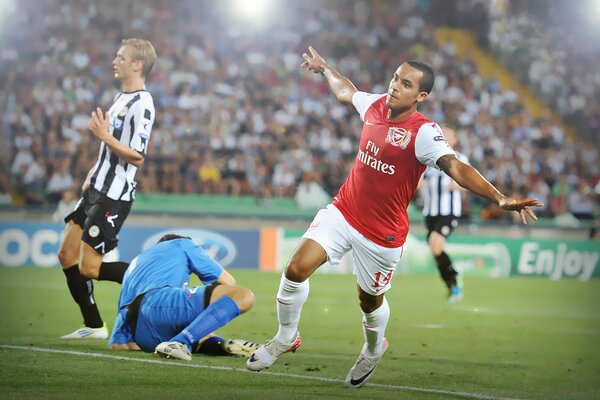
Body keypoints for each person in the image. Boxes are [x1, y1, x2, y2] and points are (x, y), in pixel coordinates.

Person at [246, 47, 542, 388]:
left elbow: (455, 166)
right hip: (343, 212)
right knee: (295, 269)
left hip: (382, 235)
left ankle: (373, 348)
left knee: (369, 301)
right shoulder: (374, 106)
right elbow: (346, 91)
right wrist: (326, 68)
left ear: (421, 95)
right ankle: (286, 337)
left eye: (405, 84)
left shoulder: (424, 133)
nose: (394, 86)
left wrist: (499, 197)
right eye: (395, 79)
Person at [58, 38, 157, 339]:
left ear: (138, 64)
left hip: (114, 196)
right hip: (96, 188)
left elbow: (137, 156)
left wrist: (103, 135)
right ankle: (93, 326)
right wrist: (92, 172)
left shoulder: (143, 103)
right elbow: (110, 151)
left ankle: (152, 280)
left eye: (121, 57)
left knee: (89, 267)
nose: (115, 61)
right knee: (66, 255)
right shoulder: (120, 97)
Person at [108, 234, 257, 361]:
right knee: (243, 296)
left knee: (198, 327)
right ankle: (180, 342)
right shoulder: (181, 243)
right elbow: (228, 283)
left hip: (140, 335)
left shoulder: (136, 263)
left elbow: (117, 345)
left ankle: (221, 345)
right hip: (158, 303)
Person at [417, 125, 469, 303]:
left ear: (454, 140)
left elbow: (470, 182)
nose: (444, 137)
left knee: (436, 245)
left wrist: (458, 185)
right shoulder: (429, 160)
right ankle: (451, 284)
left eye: (448, 135)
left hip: (448, 211)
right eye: (442, 134)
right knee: (434, 249)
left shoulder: (460, 159)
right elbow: (419, 182)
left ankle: (454, 275)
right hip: (430, 211)